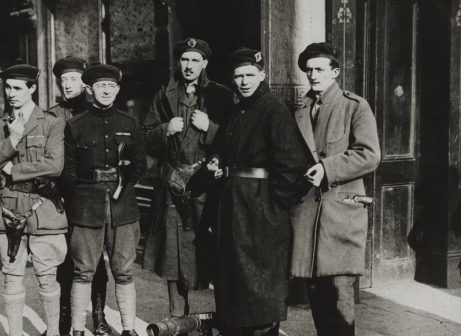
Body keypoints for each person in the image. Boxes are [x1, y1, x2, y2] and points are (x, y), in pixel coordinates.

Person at [206, 48, 308, 336]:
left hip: (260, 214)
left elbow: (292, 167)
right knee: (234, 288)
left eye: (250, 74)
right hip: (234, 207)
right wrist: (217, 161)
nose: (244, 81)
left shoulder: (273, 109)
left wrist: (271, 206)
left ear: (262, 75)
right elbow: (229, 150)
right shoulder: (238, 110)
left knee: (260, 295)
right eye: (238, 76)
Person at [289, 42, 381, 336]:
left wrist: (328, 168)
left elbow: (369, 154)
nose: (313, 75)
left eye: (319, 69)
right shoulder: (300, 108)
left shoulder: (354, 106)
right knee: (317, 296)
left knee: (341, 300)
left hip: (340, 217)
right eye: (308, 70)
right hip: (307, 219)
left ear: (335, 72)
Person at [142, 38, 235, 317]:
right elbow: (144, 139)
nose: (189, 65)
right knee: (173, 254)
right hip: (173, 184)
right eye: (185, 59)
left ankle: (224, 320)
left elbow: (238, 138)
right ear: (178, 62)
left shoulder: (220, 95)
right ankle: (177, 319)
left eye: (195, 60)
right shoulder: (163, 95)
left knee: (213, 252)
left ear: (205, 63)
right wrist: (164, 130)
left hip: (207, 183)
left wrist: (211, 128)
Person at [0, 59, 67, 336]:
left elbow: (55, 165)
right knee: (12, 277)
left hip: (43, 209)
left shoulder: (51, 123)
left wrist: (12, 169)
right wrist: (11, 141)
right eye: (7, 88)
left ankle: (52, 332)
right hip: (8, 209)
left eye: (17, 88)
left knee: (47, 277)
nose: (11, 93)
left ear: (33, 88)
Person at [62, 64, 147, 336]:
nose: (107, 90)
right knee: (83, 270)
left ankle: (129, 329)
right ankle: (77, 329)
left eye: (111, 86)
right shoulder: (75, 125)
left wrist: (122, 188)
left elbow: (139, 166)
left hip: (124, 208)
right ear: (89, 90)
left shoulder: (130, 123)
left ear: (118, 89)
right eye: (101, 86)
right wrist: (82, 197)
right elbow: (69, 171)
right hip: (86, 206)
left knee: (124, 270)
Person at [50, 56, 110, 336]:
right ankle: (63, 322)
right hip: (59, 199)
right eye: (62, 80)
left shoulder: (97, 112)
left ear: (85, 83)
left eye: (73, 78)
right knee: (63, 261)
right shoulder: (51, 115)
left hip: (90, 197)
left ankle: (98, 318)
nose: (66, 84)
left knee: (95, 261)